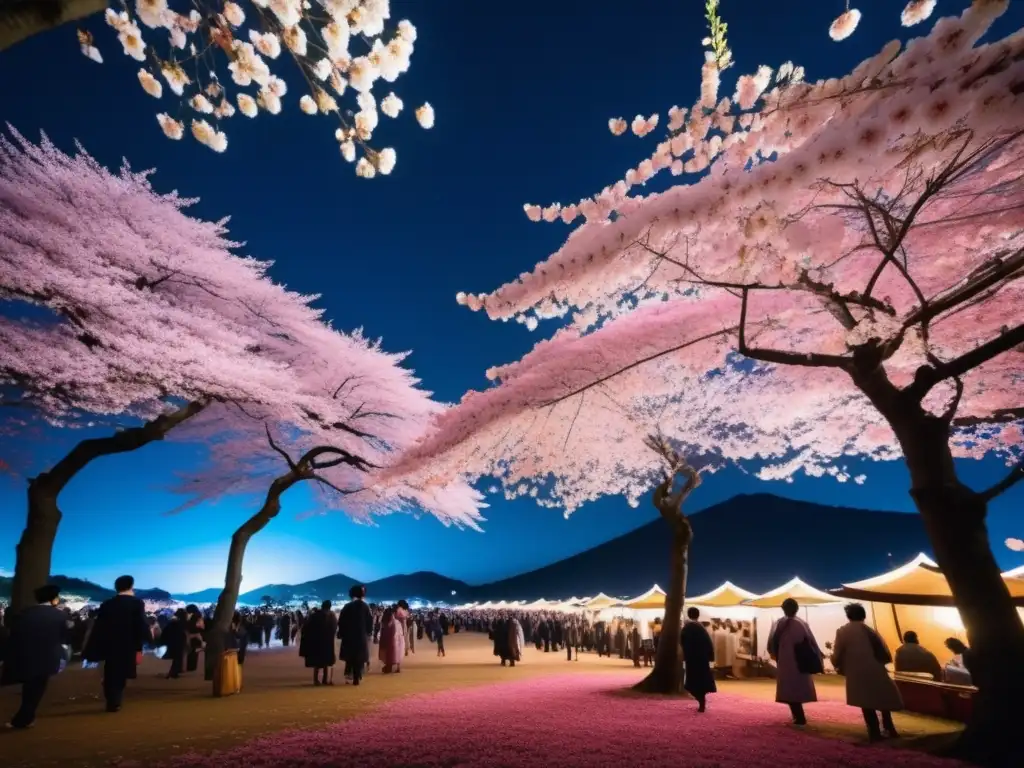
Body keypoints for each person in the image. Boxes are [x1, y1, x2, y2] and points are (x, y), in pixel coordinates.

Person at [832, 603, 903, 741]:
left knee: (865, 700)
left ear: (848, 616)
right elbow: (884, 651)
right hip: (875, 667)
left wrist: (836, 663)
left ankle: (874, 730)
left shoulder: (843, 631)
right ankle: (889, 727)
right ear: (863, 615)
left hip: (856, 670)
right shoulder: (870, 630)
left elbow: (838, 653)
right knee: (881, 697)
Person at [2, 585, 69, 729]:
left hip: (25, 655)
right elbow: (64, 637)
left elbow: (14, 634)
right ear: (54, 599)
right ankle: (22, 719)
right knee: (35, 689)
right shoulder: (60, 616)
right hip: (48, 658)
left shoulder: (25, 613)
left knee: (30, 688)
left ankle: (26, 717)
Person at [82, 575, 149, 712]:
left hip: (109, 644)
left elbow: (99, 626)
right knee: (122, 672)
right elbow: (141, 624)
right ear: (131, 586)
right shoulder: (137, 603)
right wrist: (146, 641)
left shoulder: (108, 603)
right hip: (127, 644)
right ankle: (115, 699)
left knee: (110, 671)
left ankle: (112, 700)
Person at [766, 597, 823, 726]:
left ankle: (798, 717)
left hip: (786, 661)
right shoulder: (801, 623)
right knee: (798, 687)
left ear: (783, 609)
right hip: (800, 661)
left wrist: (775, 654)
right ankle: (799, 716)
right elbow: (812, 643)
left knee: (789, 689)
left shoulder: (778, 623)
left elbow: (771, 643)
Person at [680, 607, 716, 712]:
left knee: (693, 681)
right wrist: (710, 656)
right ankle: (702, 701)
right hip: (702, 658)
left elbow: (682, 641)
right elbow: (708, 643)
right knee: (701, 680)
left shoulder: (687, 627)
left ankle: (701, 701)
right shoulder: (701, 627)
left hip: (692, 658)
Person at [338, 585, 373, 686]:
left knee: (350, 658)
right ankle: (357, 676)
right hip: (361, 636)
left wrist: (341, 633)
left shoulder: (347, 606)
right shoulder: (365, 607)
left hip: (349, 636)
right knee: (359, 657)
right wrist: (368, 632)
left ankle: (350, 675)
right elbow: (369, 622)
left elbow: (341, 622)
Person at [300, 601, 337, 686]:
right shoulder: (331, 615)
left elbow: (306, 628)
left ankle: (316, 680)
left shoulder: (315, 615)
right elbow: (334, 628)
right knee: (327, 662)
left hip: (317, 641)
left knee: (317, 662)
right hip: (328, 641)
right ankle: (325, 680)